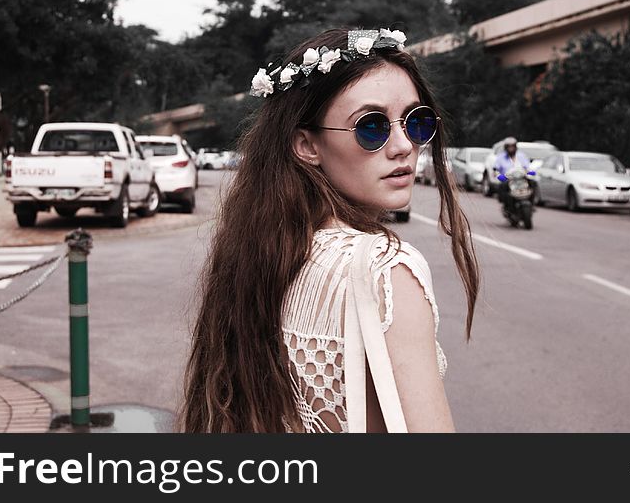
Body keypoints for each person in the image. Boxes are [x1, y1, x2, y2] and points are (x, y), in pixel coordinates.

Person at [182, 28, 480, 433]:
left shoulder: (262, 251)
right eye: (371, 127)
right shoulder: (386, 270)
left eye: (417, 121)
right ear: (307, 145)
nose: (403, 145)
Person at [494, 137, 531, 204]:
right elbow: (496, 169)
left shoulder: (521, 155)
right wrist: (499, 176)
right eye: (509, 147)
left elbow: (527, 167)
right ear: (506, 147)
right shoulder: (501, 157)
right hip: (508, 179)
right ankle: (507, 204)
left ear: (515, 147)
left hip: (521, 177)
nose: (511, 148)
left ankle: (531, 202)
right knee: (502, 186)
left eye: (512, 146)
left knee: (533, 183)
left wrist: (530, 173)